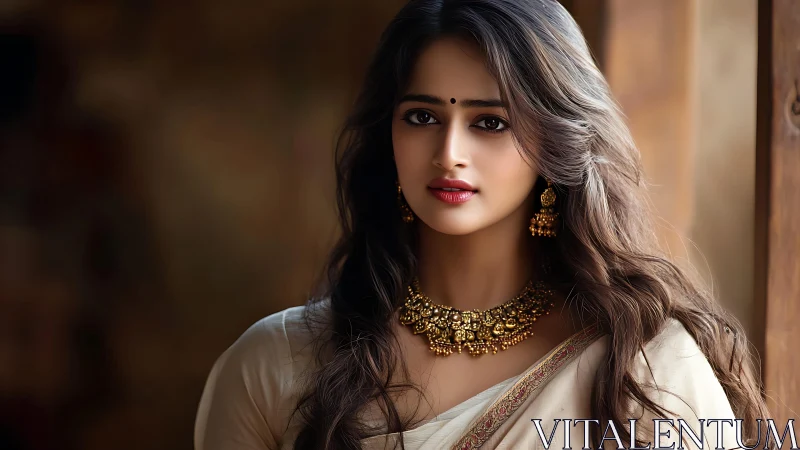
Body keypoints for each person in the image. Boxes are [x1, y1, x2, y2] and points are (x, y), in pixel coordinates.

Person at [194, 1, 770, 449]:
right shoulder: (273, 366)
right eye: (422, 117)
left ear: (556, 141)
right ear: (387, 135)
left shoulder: (644, 372)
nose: (449, 152)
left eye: (490, 122)